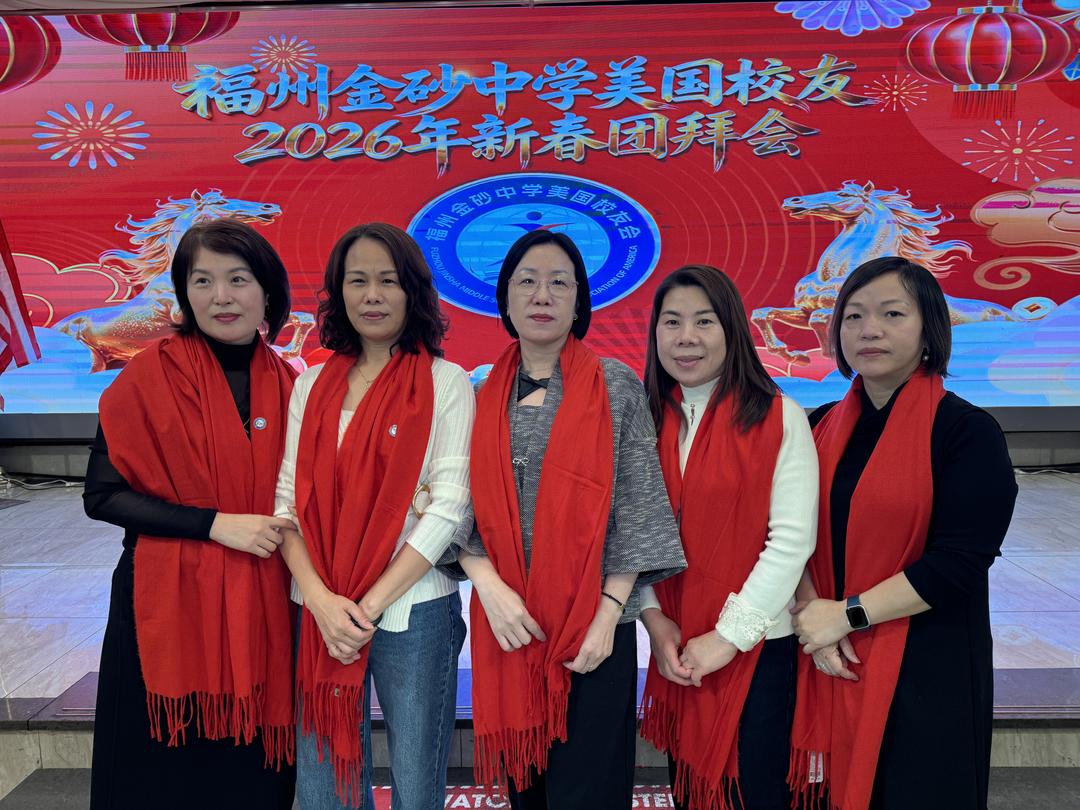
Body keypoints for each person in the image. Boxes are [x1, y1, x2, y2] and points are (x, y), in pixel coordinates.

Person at [450, 229, 686, 810]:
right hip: (511, 626)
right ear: (505, 299)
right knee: (527, 792)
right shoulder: (477, 394)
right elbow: (455, 505)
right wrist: (490, 589)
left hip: (594, 630)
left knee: (589, 791)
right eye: (527, 281)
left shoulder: (614, 383)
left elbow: (638, 508)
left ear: (580, 300)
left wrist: (607, 617)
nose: (542, 295)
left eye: (560, 282)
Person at [789, 256, 1017, 810]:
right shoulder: (816, 425)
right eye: (853, 316)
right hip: (823, 651)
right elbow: (789, 533)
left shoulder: (967, 432)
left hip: (926, 663)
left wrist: (845, 615)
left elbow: (959, 562)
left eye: (892, 314)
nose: (869, 330)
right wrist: (813, 614)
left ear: (929, 327)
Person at [84, 218, 298, 809]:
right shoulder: (147, 376)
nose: (221, 297)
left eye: (238, 279)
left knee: (249, 773)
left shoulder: (292, 385)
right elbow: (102, 496)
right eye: (202, 281)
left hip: (262, 602)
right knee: (159, 772)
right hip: (163, 604)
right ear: (183, 293)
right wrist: (214, 524)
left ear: (268, 292)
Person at [274, 223, 473, 809]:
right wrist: (321, 601)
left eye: (388, 281)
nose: (373, 296)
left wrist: (364, 607)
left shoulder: (446, 383)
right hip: (320, 608)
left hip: (415, 608)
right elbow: (286, 505)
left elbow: (449, 508)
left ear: (413, 292)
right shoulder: (311, 385)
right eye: (357, 281)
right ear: (338, 292)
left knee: (417, 782)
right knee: (324, 782)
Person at [637, 265, 817, 810]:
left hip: (756, 648)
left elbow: (790, 543)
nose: (686, 337)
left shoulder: (780, 417)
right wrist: (655, 621)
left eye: (703, 321)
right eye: (672, 322)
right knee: (690, 792)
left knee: (750, 794)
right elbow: (632, 534)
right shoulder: (645, 419)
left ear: (732, 329)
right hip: (678, 647)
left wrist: (726, 638)